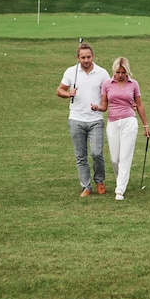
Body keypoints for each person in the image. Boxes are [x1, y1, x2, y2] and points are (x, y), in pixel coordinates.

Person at [91, 57, 150, 201]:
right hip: (113, 122)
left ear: (127, 71)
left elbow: (139, 105)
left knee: (125, 157)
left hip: (129, 121)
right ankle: (121, 180)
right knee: (115, 158)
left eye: (123, 72)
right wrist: (97, 107)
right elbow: (104, 106)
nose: (120, 75)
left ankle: (120, 189)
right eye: (117, 72)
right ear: (114, 71)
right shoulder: (107, 84)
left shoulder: (133, 84)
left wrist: (145, 125)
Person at [56, 43, 110, 197]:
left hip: (95, 119)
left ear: (93, 56)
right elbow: (59, 90)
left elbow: (110, 91)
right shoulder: (71, 72)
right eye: (83, 57)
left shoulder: (102, 73)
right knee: (81, 156)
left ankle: (99, 181)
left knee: (97, 153)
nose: (86, 60)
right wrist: (68, 94)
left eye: (89, 57)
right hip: (76, 118)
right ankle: (86, 186)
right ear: (77, 58)